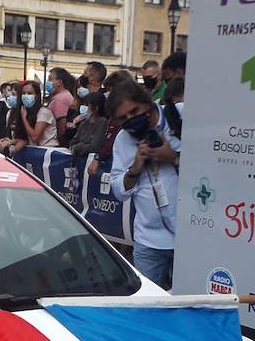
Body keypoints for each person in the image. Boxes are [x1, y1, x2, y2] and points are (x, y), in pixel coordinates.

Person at [108, 78, 180, 290]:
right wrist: (135, 168)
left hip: (188, 239)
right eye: (123, 118)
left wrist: (173, 157)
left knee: (188, 306)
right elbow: (118, 191)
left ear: (147, 103)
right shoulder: (122, 139)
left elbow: (212, 163)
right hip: (148, 241)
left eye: (134, 111)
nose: (131, 119)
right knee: (148, 304)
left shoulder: (179, 117)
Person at [68, 91, 108, 158]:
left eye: (87, 105)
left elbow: (95, 147)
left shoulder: (102, 122)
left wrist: (78, 147)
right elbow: (73, 142)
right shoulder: (84, 123)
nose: (84, 107)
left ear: (96, 107)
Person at [45, 67, 76, 144]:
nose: (47, 82)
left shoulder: (60, 99)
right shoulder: (64, 95)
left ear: (59, 82)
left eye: (50, 79)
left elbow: (61, 123)